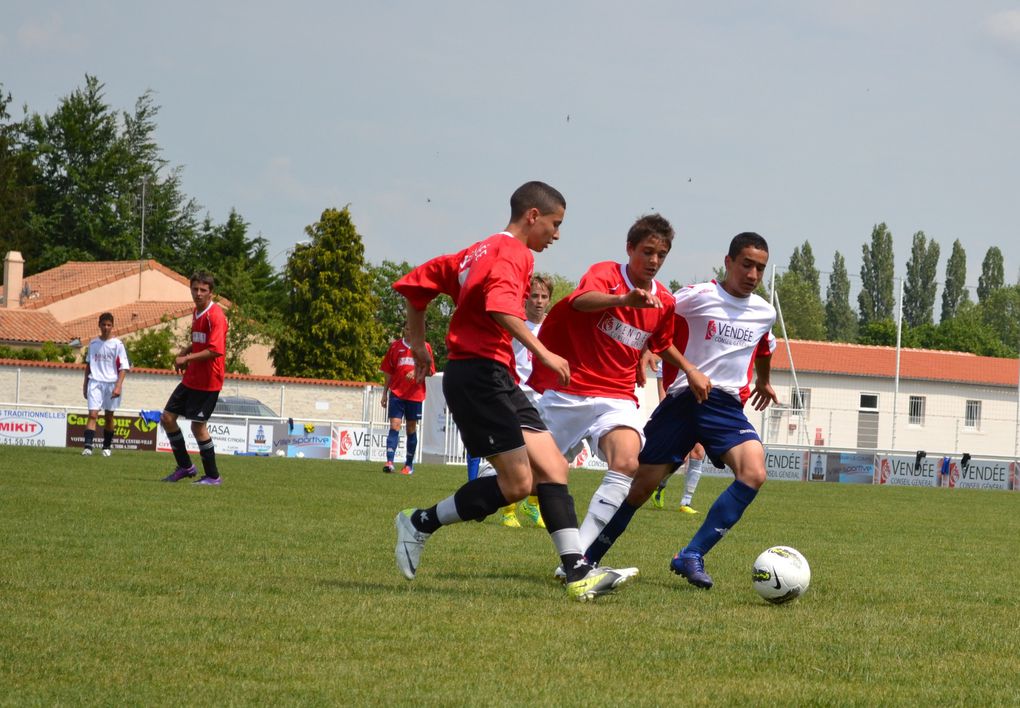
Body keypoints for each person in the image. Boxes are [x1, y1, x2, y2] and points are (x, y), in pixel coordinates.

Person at [391, 180, 633, 601]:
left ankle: (577, 570)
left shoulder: (475, 251)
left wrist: (418, 345)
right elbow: (500, 308)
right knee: (519, 483)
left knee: (551, 470)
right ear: (533, 216)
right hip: (478, 376)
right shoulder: (513, 253)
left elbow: (415, 290)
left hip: (496, 377)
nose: (557, 235)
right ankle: (419, 523)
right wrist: (544, 353)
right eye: (555, 225)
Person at [583, 232, 779, 589]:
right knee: (639, 489)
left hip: (724, 405)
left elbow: (766, 346)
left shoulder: (765, 312)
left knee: (754, 472)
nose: (752, 274)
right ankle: (585, 559)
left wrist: (763, 382)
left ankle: (691, 554)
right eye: (747, 264)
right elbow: (658, 322)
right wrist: (658, 356)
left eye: (760, 268)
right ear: (729, 262)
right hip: (684, 400)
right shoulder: (696, 296)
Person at [528, 214, 697, 568]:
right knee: (521, 483)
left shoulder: (663, 301)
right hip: (570, 392)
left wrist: (687, 369)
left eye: (661, 255)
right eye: (647, 251)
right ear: (629, 248)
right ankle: (429, 517)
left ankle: (577, 561)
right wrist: (622, 300)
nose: (653, 261)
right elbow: (581, 300)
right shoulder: (606, 274)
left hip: (616, 396)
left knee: (627, 462)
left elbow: (661, 342)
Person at [470, 274, 552, 528]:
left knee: (544, 457)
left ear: (549, 299)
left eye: (543, 296)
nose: (538, 301)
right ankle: (508, 511)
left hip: (543, 396)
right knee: (515, 453)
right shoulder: (515, 324)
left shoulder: (552, 326)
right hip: (516, 393)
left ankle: (532, 504)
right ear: (526, 298)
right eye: (534, 296)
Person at [160, 271, 229, 486]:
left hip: (209, 381)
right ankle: (186, 467)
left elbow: (215, 350)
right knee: (167, 418)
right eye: (195, 289)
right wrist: (185, 351)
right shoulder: (196, 312)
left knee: (198, 427)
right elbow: (200, 342)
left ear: (211, 293)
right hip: (192, 378)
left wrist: (187, 357)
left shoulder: (215, 316)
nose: (198, 294)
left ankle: (213, 476)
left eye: (203, 290)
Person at [648, 353, 706, 514]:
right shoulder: (670, 357)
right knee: (681, 455)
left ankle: (686, 501)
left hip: (701, 405)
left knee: (698, 451)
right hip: (676, 407)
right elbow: (663, 391)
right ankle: (660, 484)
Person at [380, 324, 435, 475]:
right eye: (408, 328)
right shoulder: (395, 347)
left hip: (415, 395)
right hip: (397, 393)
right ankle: (389, 462)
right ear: (404, 329)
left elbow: (430, 371)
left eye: (413, 328)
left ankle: (408, 465)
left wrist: (416, 370)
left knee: (411, 428)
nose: (410, 331)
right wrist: (385, 393)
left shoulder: (425, 347)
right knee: (394, 425)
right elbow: (388, 372)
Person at [81, 312, 130, 457]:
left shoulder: (118, 345)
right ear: (99, 325)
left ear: (112, 326)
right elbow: (89, 365)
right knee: (93, 414)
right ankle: (88, 447)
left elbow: (123, 367)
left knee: (109, 416)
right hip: (95, 382)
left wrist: (118, 386)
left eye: (109, 325)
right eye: (104, 324)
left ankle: (106, 447)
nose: (106, 327)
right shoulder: (93, 343)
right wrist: (85, 385)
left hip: (111, 384)